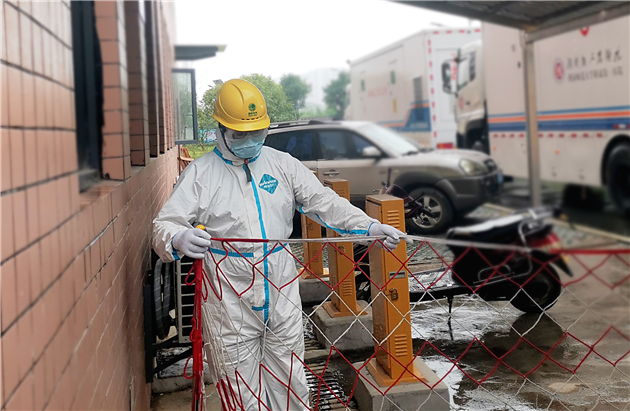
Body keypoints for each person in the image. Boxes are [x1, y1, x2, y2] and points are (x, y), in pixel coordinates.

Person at [153, 79, 403, 411]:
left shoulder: (282, 164)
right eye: (240, 134)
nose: (250, 140)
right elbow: (164, 225)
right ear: (221, 130)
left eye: (256, 132)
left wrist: (368, 226)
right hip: (228, 294)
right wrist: (177, 237)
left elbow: (324, 202)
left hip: (281, 285)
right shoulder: (201, 174)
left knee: (291, 377)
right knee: (239, 385)